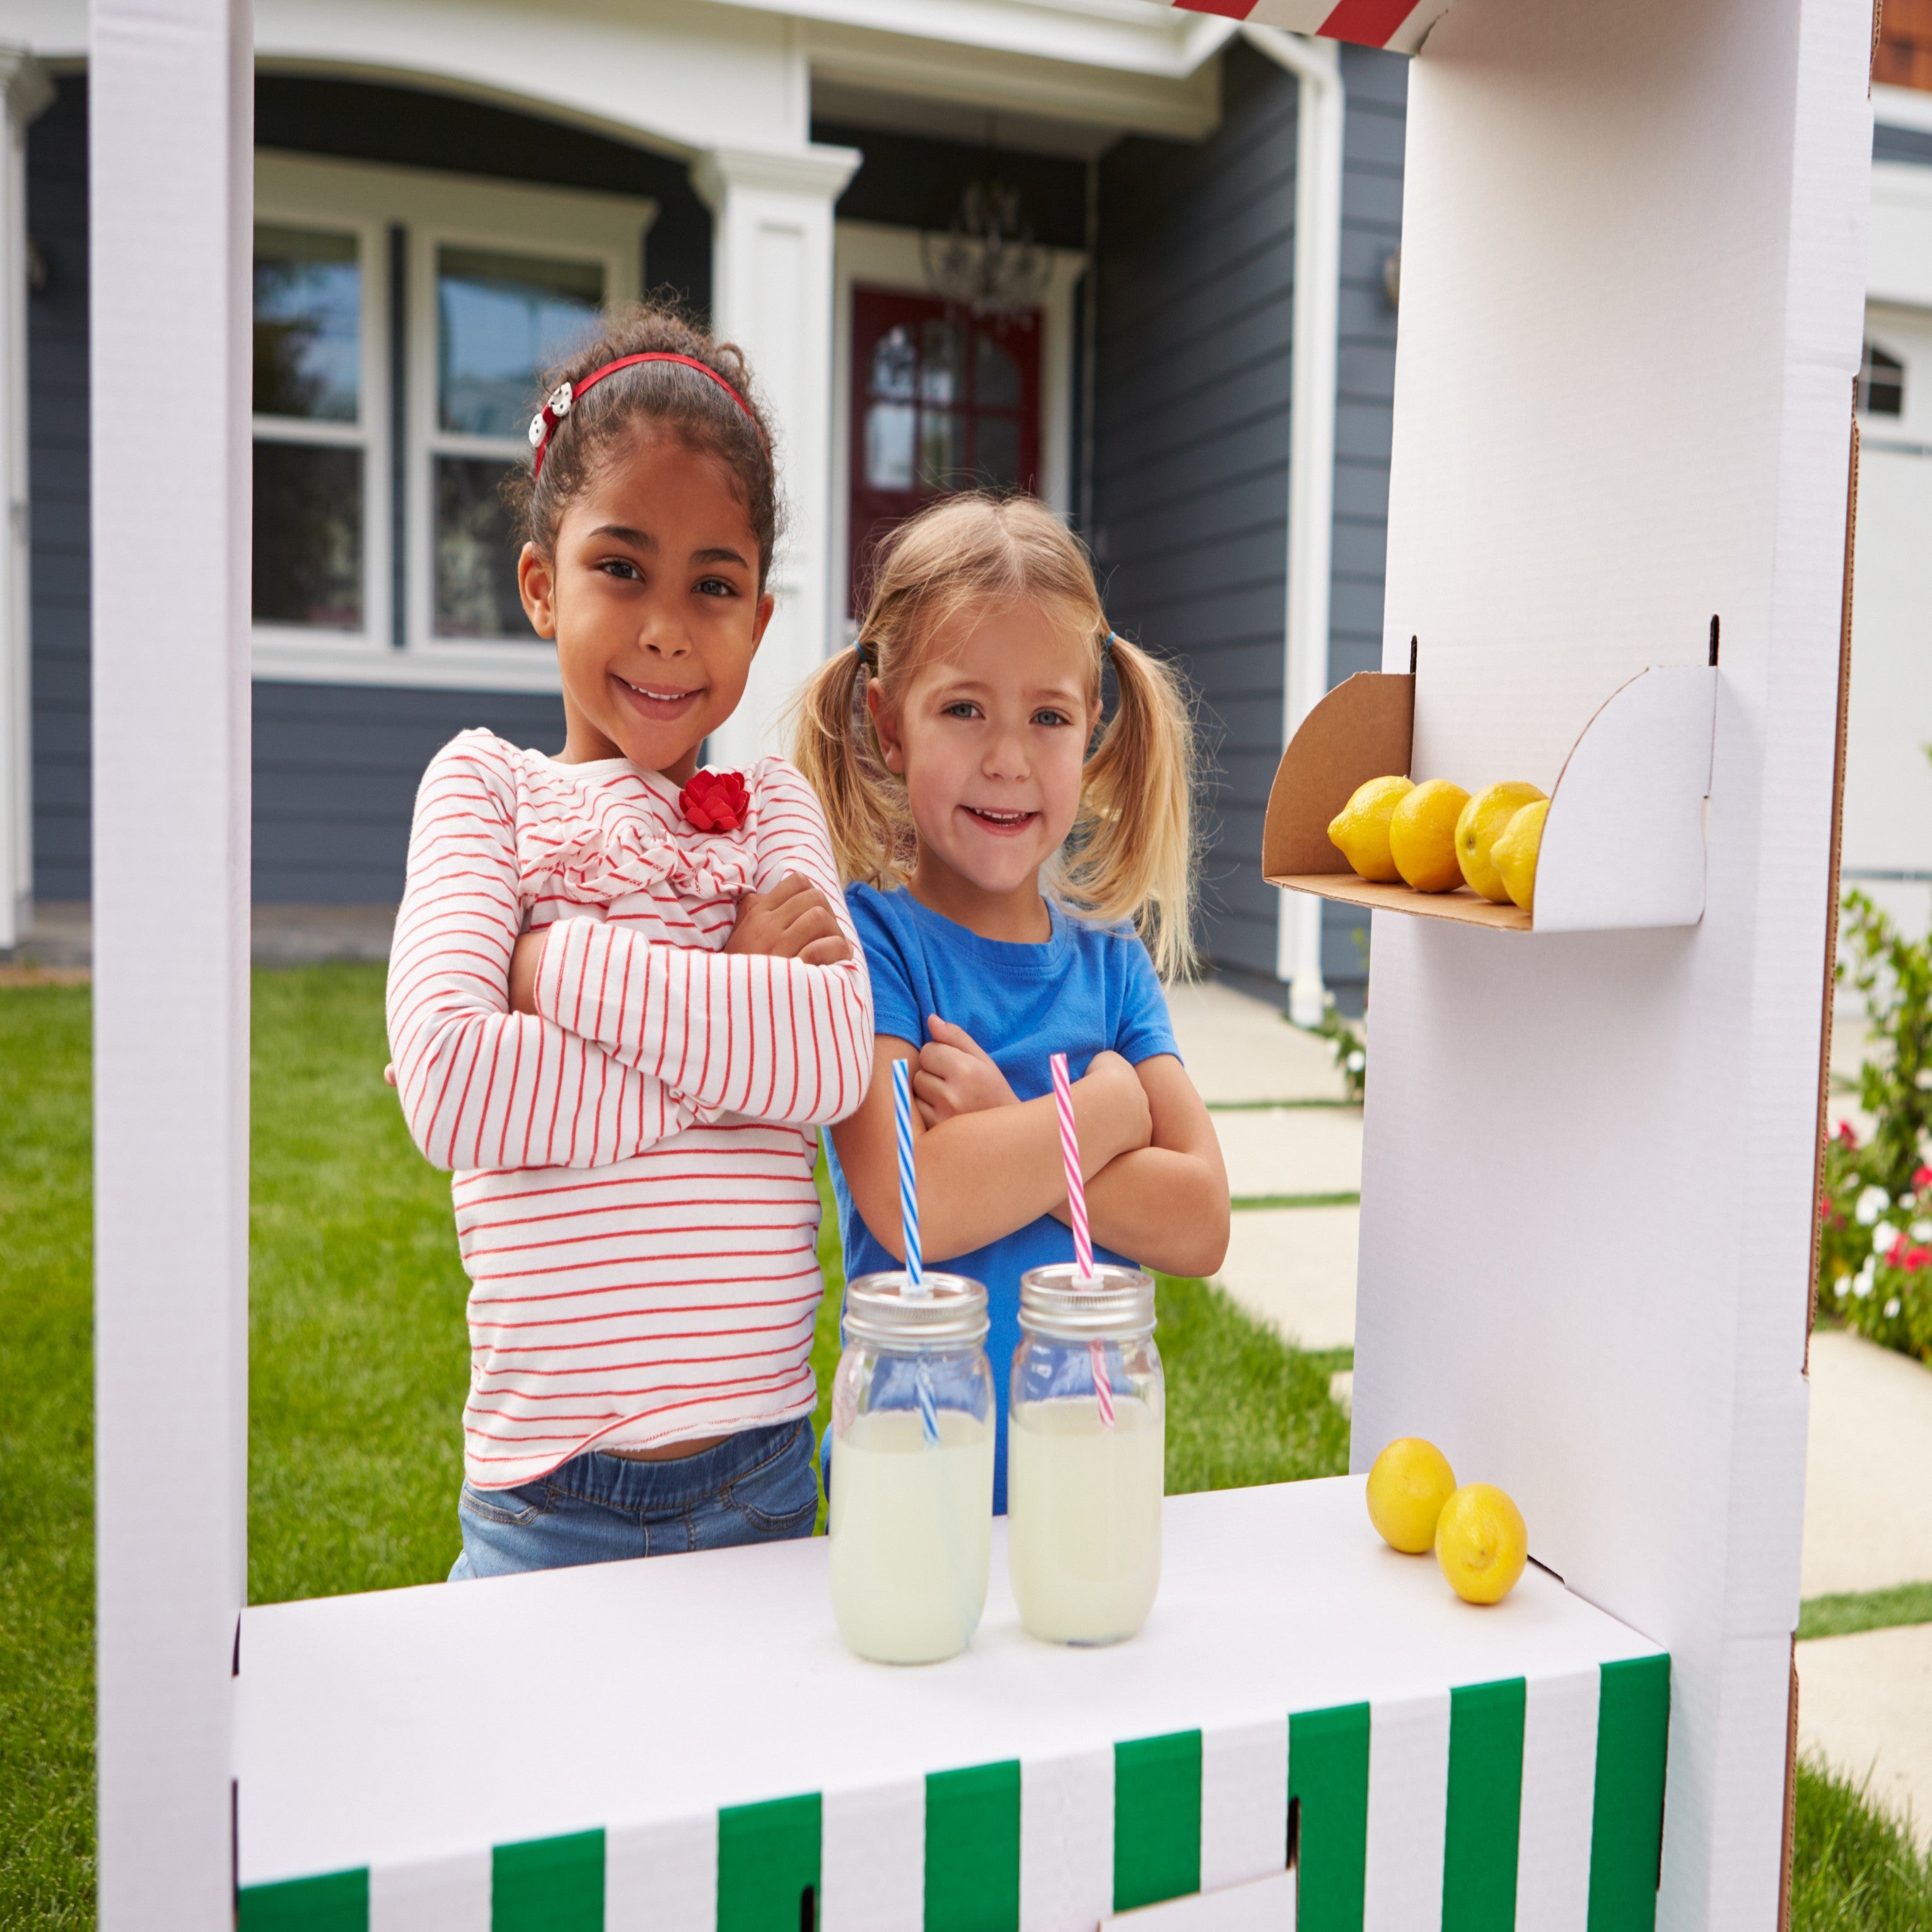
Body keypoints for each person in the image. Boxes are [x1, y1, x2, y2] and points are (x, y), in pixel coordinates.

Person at [385, 304, 873, 1576]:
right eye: (622, 566)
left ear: (759, 621)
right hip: (547, 1492)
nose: (667, 625)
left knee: (763, 1781)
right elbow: (448, 1079)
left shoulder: (773, 805)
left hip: (765, 1470)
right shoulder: (485, 791)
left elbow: (827, 1061)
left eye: (712, 584)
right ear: (542, 582)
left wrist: (554, 970)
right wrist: (729, 1021)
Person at [793, 492, 1230, 1513]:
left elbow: (1202, 1221)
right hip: (914, 1482)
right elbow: (918, 1203)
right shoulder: (875, 945)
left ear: (1090, 732)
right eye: (962, 708)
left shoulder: (1114, 971)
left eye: (1048, 717)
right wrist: (1104, 1116)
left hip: (1089, 1478)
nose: (1008, 756)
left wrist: (1009, 1132)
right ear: (886, 723)